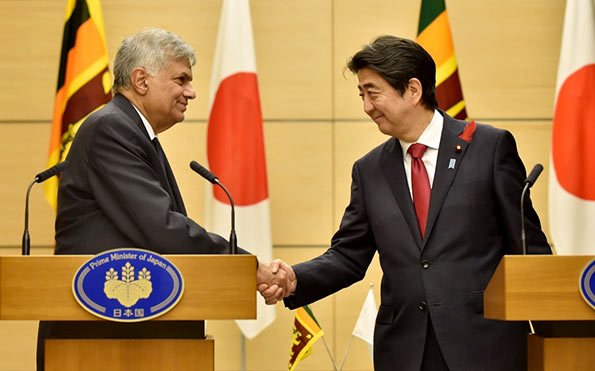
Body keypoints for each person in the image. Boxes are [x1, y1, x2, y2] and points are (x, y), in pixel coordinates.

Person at [259, 36, 551, 371]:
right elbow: (349, 255)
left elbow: (528, 249)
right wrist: (295, 279)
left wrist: (557, 335)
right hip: (405, 353)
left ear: (412, 90)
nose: (366, 106)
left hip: (483, 347)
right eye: (362, 95)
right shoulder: (370, 170)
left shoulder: (488, 148)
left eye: (373, 92)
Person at [37, 28, 283, 371]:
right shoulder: (112, 128)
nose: (191, 92)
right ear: (141, 80)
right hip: (101, 336)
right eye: (181, 80)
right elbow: (161, 227)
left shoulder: (132, 130)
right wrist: (244, 265)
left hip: (132, 335)